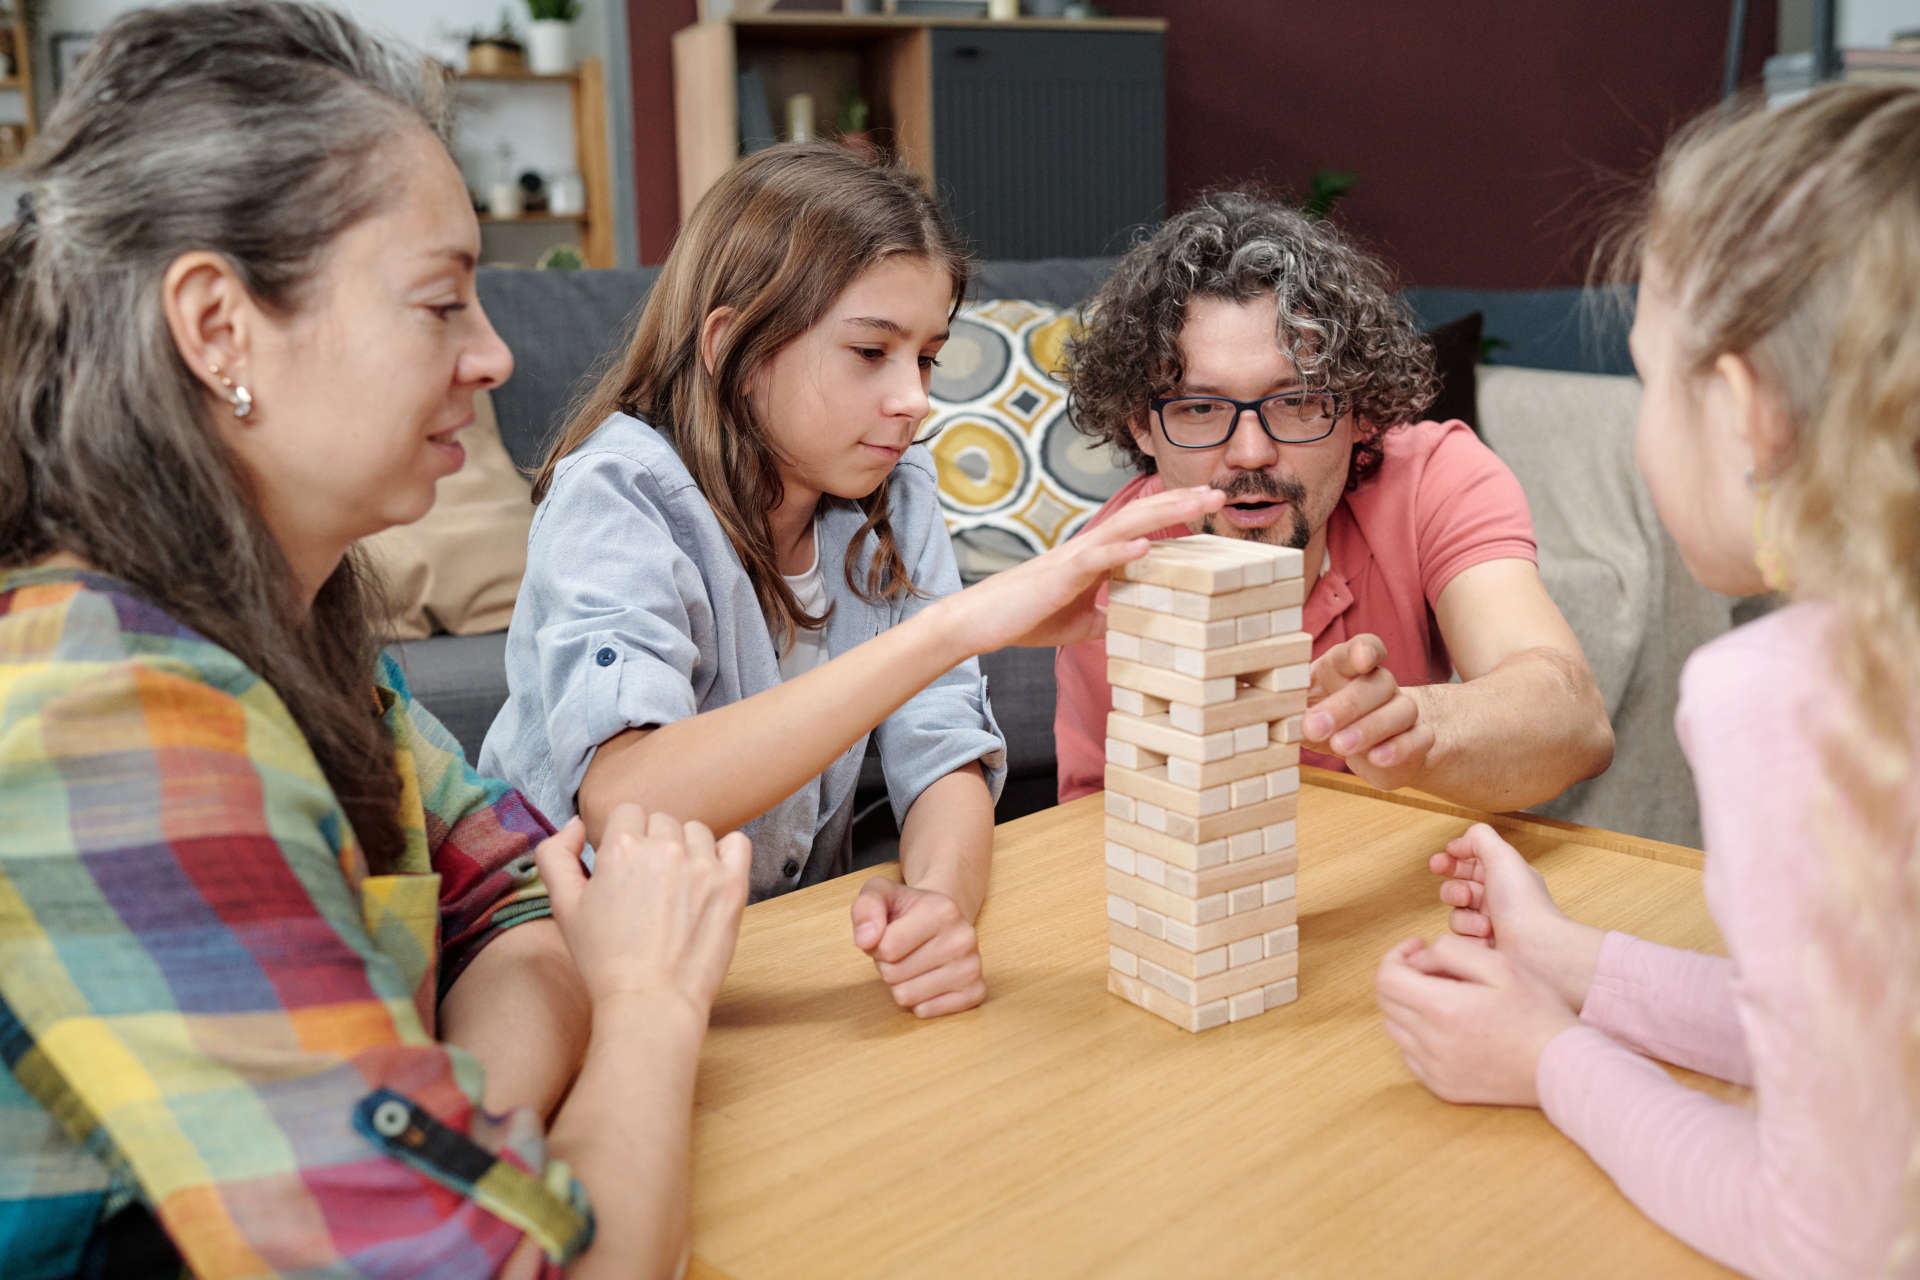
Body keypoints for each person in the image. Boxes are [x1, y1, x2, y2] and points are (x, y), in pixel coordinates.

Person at [0, 5, 751, 1276]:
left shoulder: (307, 645)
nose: (496, 353)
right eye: (440, 302)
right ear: (218, 326)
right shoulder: (105, 717)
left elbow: (514, 889)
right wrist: (648, 1007)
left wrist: (458, 1142)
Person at [1374, 83, 1920, 1277]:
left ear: (1743, 408)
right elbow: (1869, 1036)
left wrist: (1550, 1062)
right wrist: (1575, 968)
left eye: (1643, 376)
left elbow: (1830, 1234)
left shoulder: (1788, 697)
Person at [482, 143, 1224, 1020]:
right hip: (570, 962)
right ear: (732, 345)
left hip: (767, 952)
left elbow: (942, 744)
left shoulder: (892, 492)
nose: (914, 398)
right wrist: (953, 626)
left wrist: (941, 903)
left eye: (927, 358)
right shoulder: (621, 492)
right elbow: (626, 798)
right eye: (872, 352)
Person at [1053, 193, 1614, 810]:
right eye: (1201, 408)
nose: (1250, 453)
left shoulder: (1434, 477)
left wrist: (1412, 724)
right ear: (1141, 425)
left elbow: (1576, 724)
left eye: (1295, 402)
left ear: (1361, 411)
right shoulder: (1106, 576)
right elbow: (1096, 828)